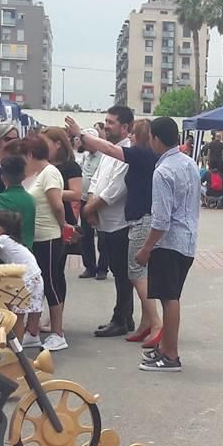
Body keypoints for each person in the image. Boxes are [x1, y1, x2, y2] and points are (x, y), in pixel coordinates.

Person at [79, 118, 163, 348]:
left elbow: (107, 152)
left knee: (135, 272)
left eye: (135, 133)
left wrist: (82, 134)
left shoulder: (140, 155)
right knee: (136, 271)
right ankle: (146, 322)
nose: (131, 138)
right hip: (136, 218)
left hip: (140, 218)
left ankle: (156, 323)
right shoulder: (145, 156)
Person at [135, 117, 200, 372]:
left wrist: (146, 248)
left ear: (156, 139)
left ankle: (171, 354)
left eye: (150, 137)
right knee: (169, 295)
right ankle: (164, 349)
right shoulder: (189, 163)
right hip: (187, 239)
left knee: (169, 297)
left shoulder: (163, 171)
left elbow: (161, 219)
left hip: (169, 241)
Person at [84, 106, 135, 337]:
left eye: (111, 122)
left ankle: (121, 318)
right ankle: (125, 316)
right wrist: (91, 207)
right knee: (117, 270)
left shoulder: (127, 153)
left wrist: (90, 207)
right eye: (105, 121)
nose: (106, 126)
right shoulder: (108, 151)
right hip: (103, 221)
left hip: (119, 223)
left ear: (125, 127)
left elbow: (115, 190)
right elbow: (97, 180)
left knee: (122, 274)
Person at [19, 135, 73, 351]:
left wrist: (63, 227)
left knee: (51, 284)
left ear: (31, 155)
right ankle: (32, 331)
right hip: (38, 237)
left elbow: (57, 205)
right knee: (38, 285)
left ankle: (58, 332)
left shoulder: (50, 173)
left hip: (49, 236)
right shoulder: (38, 174)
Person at [0, 210, 44, 341]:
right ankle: (33, 335)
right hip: (35, 275)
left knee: (17, 314)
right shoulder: (11, 240)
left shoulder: (2, 239)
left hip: (25, 278)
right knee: (33, 307)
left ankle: (16, 345)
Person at [74, 128, 109, 280]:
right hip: (83, 199)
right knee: (85, 235)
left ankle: (102, 268)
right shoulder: (86, 156)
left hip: (97, 201)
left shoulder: (104, 157)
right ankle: (90, 266)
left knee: (102, 236)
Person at [42, 127, 83, 249]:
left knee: (58, 255)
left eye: (45, 143)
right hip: (44, 217)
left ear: (58, 144)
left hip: (64, 216)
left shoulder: (71, 166)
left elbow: (76, 194)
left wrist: (53, 193)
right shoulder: (42, 164)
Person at [0, 155, 36, 248]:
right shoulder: (31, 199)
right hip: (27, 248)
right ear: (24, 176)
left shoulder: (1, 199)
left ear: (2, 177)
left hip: (6, 250)